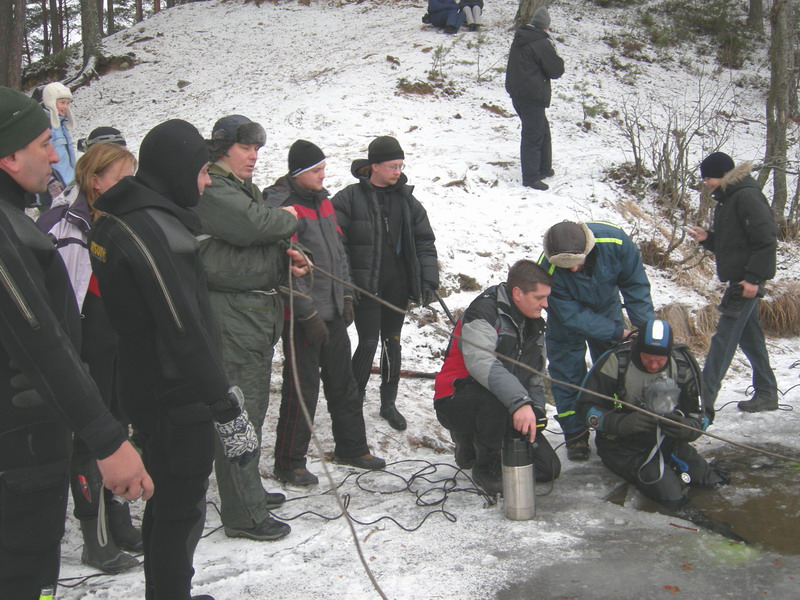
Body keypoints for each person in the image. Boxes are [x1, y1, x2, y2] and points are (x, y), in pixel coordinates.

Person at [88, 119, 266, 600]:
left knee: (168, 501)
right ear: (174, 170)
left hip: (147, 381)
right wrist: (226, 408)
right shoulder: (151, 230)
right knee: (180, 507)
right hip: (173, 391)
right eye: (202, 172)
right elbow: (182, 328)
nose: (207, 182)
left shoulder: (124, 217)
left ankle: (168, 593)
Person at [0, 86, 152, 600]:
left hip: (35, 430)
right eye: (44, 143)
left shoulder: (16, 223)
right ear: (8, 155)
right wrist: (105, 438)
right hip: (21, 447)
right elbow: (43, 338)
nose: (54, 153)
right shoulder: (13, 233)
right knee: (27, 577)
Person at [37, 142, 142, 573]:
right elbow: (60, 301)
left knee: (119, 428)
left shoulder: (115, 220)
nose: (127, 188)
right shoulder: (66, 225)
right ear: (95, 181)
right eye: (119, 179)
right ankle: (94, 540)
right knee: (91, 440)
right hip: (83, 348)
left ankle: (117, 519)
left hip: (115, 344)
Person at [192, 114, 295, 541]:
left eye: (257, 149)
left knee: (251, 410)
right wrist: (287, 217)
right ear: (222, 149)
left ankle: (246, 490)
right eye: (246, 147)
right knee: (240, 416)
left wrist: (280, 248)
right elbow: (256, 225)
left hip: (250, 317)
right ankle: (243, 513)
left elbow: (259, 235)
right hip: (233, 320)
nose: (254, 156)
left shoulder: (238, 188)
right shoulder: (214, 189)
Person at [264, 140, 386, 486]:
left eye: (323, 169)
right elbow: (283, 268)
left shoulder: (325, 204)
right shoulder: (284, 208)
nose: (323, 175)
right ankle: (289, 461)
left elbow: (339, 254)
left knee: (343, 382)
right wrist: (306, 314)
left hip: (333, 312)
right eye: (316, 170)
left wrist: (346, 295)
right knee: (302, 389)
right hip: (301, 320)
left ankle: (351, 446)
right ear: (299, 174)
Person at [332, 136, 439, 431]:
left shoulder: (406, 199)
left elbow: (424, 240)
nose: (397, 171)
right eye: (392, 166)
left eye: (401, 165)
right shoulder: (349, 197)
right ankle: (353, 401)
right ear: (374, 166)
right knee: (367, 342)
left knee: (391, 342)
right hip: (366, 286)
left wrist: (428, 279)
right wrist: (346, 283)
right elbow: (333, 239)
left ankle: (388, 403)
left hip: (398, 285)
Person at [433, 260, 561, 496]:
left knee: (547, 469)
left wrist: (538, 411)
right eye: (539, 298)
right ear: (517, 293)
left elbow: (533, 376)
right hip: (456, 399)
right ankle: (484, 465)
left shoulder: (534, 323)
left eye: (547, 297)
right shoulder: (483, 312)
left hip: (507, 401)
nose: (546, 305)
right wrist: (520, 403)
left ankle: (486, 443)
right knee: (494, 401)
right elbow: (481, 363)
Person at [577, 319, 728, 509]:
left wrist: (689, 428)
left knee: (711, 481)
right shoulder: (616, 361)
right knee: (670, 493)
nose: (654, 365)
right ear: (637, 349)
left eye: (660, 360)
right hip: (622, 447)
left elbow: (704, 412)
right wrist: (619, 423)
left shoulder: (682, 364)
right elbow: (584, 407)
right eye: (648, 358)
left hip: (669, 441)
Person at [537, 221, 655, 461]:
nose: (571, 271)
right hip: (564, 319)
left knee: (612, 369)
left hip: (606, 307)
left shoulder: (616, 243)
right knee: (567, 374)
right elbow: (572, 315)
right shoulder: (546, 268)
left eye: (575, 264)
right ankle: (575, 433)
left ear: (587, 249)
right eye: (564, 266)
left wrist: (645, 331)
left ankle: (613, 424)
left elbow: (635, 285)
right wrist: (618, 333)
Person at [687, 152, 778, 415]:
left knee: (723, 340)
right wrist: (707, 238)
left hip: (745, 282)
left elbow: (766, 240)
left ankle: (702, 401)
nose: (706, 183)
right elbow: (734, 246)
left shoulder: (746, 196)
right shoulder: (730, 199)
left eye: (708, 177)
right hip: (741, 279)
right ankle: (767, 392)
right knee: (751, 340)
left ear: (723, 174)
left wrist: (753, 279)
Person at [504, 7, 564, 191]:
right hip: (532, 96)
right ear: (545, 26)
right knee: (533, 135)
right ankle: (530, 177)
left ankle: (543, 168)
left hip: (519, 94)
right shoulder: (540, 43)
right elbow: (556, 70)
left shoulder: (522, 37)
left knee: (541, 131)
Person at [42, 82, 77, 186]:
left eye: (67, 103)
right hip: (58, 186)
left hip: (71, 182)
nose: (66, 107)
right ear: (50, 102)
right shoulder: (45, 127)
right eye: (62, 103)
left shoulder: (61, 125)